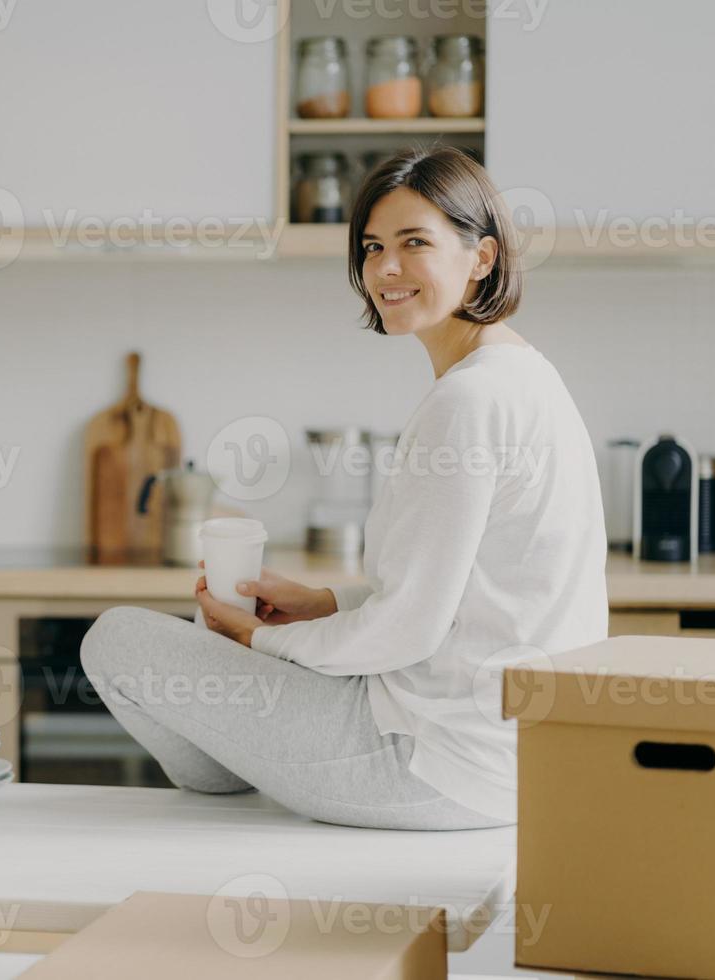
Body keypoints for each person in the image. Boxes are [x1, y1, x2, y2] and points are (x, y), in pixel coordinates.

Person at [80, 146, 607, 830]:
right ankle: (244, 770)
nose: (385, 269)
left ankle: (227, 786)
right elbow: (460, 596)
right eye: (372, 246)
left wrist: (258, 644)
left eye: (414, 243)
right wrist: (322, 603)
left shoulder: (468, 401)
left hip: (430, 762)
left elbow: (408, 628)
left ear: (482, 257)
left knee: (116, 639)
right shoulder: (524, 375)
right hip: (505, 760)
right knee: (209, 656)